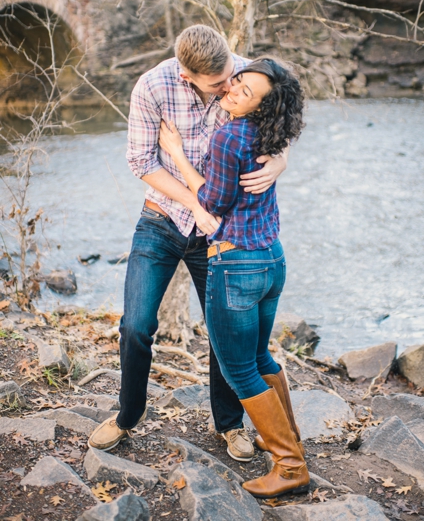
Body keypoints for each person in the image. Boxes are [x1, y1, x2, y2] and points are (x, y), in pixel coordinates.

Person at [88, 25, 288, 463]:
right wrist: (192, 203)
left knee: (224, 336)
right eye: (218, 84)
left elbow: (278, 121)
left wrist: (280, 159)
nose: (228, 88)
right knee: (136, 325)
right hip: (161, 219)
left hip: (216, 234)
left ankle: (230, 425)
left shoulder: (241, 75)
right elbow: (141, 160)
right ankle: (127, 415)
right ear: (187, 75)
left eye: (231, 77)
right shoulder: (152, 88)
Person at [158, 57, 308, 498]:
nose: (232, 91)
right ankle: (288, 439)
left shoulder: (229, 135)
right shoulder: (271, 133)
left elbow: (213, 201)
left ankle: (290, 465)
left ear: (260, 107)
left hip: (236, 263)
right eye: (236, 83)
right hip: (271, 260)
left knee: (238, 368)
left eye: (244, 93)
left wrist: (178, 156)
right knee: (260, 358)